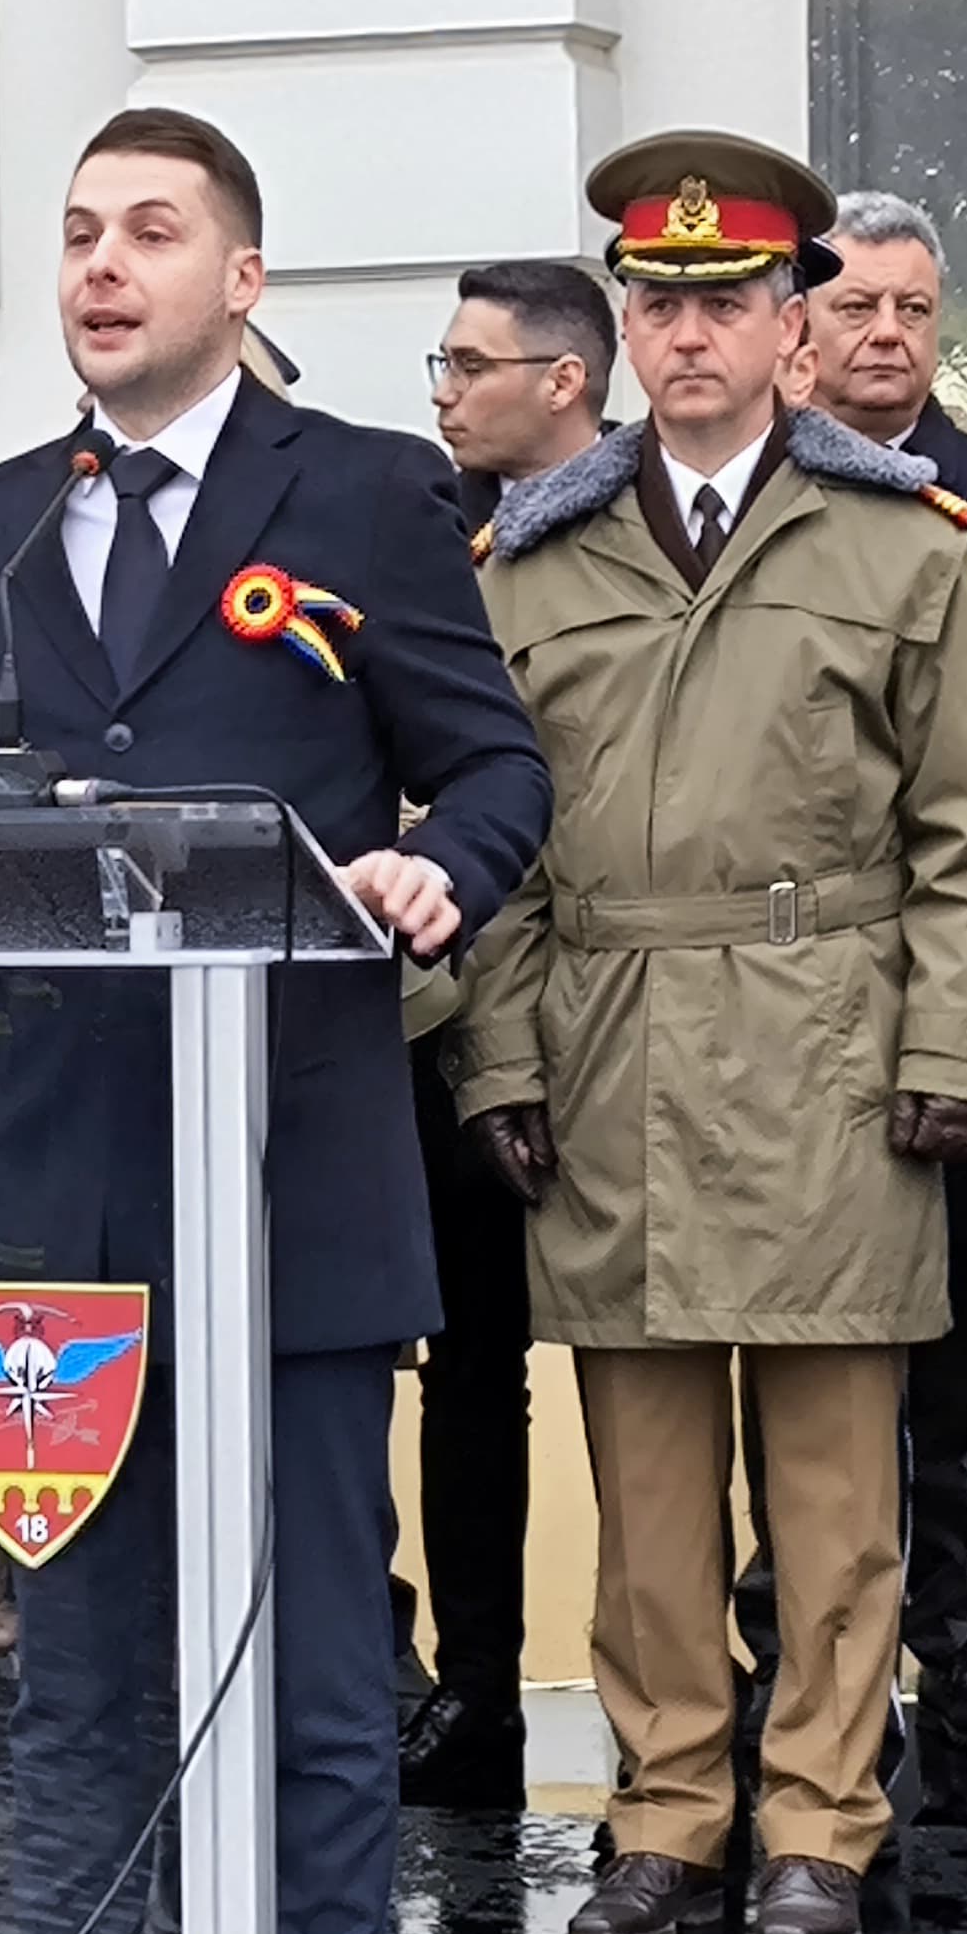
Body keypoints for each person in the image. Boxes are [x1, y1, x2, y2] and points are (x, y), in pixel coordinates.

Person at [0, 106, 547, 1934]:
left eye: (150, 233)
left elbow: (493, 765)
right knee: (77, 1676)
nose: (100, 266)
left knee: (297, 1673)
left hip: (286, 1178)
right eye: (76, 233)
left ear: (241, 280)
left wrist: (426, 877)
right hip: (60, 1203)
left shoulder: (359, 490)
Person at [455, 129, 967, 1934]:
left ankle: (821, 1817)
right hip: (609, 1042)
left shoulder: (895, 545)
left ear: (794, 327)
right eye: (659, 301)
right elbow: (492, 829)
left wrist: (956, 1050)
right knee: (641, 1496)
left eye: (727, 302)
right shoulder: (528, 563)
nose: (689, 333)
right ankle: (668, 1808)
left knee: (837, 1489)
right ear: (621, 329)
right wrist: (496, 1059)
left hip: (828, 1048)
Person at [777, 189, 967, 1767]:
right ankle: (798, 1648)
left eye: (913, 310)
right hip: (773, 994)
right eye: (855, 308)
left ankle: (954, 1648)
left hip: (948, 983)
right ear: (800, 330)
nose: (886, 335)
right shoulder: (744, 504)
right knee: (776, 1343)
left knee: (945, 1343)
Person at [393, 259, 615, 1811]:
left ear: (564, 381)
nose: (446, 391)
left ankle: (683, 1688)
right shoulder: (435, 540)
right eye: (442, 363)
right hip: (454, 997)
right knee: (466, 1362)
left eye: (473, 365)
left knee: (643, 1367)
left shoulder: (630, 539)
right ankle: (475, 1686)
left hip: (603, 996)